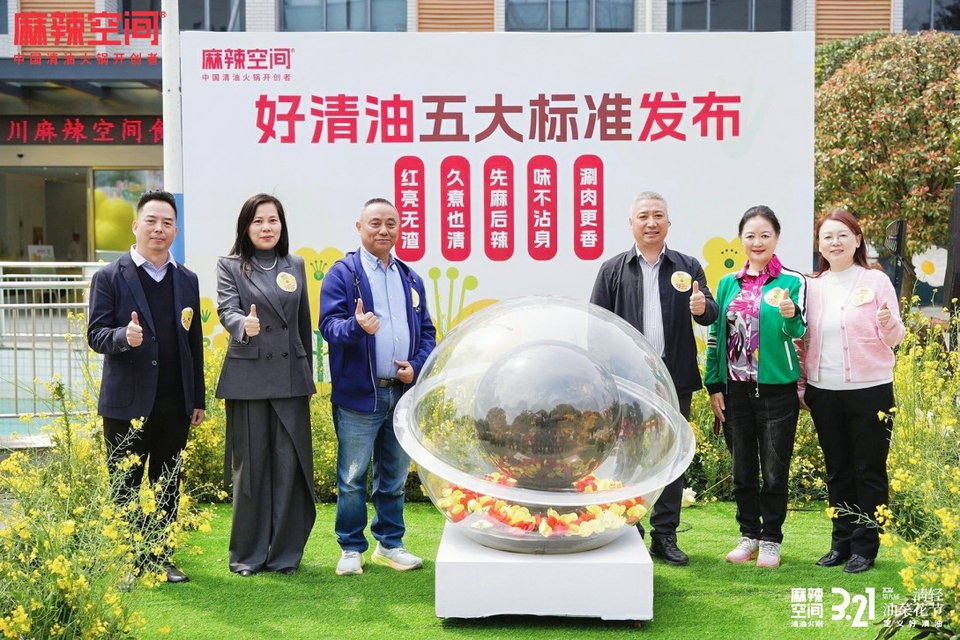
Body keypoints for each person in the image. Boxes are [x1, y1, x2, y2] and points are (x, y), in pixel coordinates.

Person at [590, 191, 719, 566]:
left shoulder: (687, 266)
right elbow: (596, 327)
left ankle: (665, 535)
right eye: (644, 216)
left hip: (674, 379)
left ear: (668, 223)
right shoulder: (613, 270)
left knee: (671, 456)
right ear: (631, 223)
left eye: (658, 215)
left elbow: (710, 312)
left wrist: (702, 307)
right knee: (627, 456)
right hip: (627, 382)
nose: (651, 222)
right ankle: (629, 528)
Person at [87, 190, 205, 584]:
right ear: (135, 225)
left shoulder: (186, 279)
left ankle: (160, 557)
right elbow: (95, 333)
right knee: (125, 485)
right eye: (151, 221)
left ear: (175, 230)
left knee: (167, 484)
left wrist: (197, 398)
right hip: (126, 403)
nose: (159, 229)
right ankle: (127, 561)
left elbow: (192, 344)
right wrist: (123, 336)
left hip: (174, 401)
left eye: (167, 222)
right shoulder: (109, 276)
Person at [319, 197, 436, 577]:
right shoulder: (344, 274)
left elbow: (427, 332)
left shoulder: (410, 278)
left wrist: (416, 366)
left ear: (399, 228)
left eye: (391, 223)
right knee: (352, 477)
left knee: (394, 478)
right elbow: (329, 328)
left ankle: (390, 544)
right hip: (359, 395)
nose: (384, 230)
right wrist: (357, 327)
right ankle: (351, 548)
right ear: (360, 228)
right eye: (375, 223)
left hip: (401, 395)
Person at [215, 193, 317, 577]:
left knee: (290, 466)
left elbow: (303, 324)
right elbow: (227, 309)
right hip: (249, 379)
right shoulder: (230, 266)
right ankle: (247, 555)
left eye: (273, 220)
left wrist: (306, 376)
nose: (266, 227)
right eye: (258, 221)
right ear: (245, 227)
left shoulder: (295, 264)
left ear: (281, 225)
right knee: (251, 469)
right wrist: (244, 325)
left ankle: (285, 554)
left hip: (291, 379)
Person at [796, 209, 904, 574]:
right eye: (827, 237)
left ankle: (865, 546)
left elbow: (896, 337)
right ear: (820, 245)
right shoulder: (811, 286)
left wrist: (887, 324)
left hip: (871, 391)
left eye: (843, 235)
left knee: (868, 470)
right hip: (825, 391)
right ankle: (840, 542)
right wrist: (803, 385)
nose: (835, 242)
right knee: (837, 470)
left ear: (857, 240)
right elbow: (802, 340)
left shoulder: (875, 281)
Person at [705, 205, 806, 569]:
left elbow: (799, 332)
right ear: (741, 239)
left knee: (775, 473)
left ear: (776, 238)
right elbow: (715, 333)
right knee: (743, 471)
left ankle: (771, 540)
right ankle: (749, 535)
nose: (757, 242)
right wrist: (714, 384)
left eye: (765, 235)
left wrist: (791, 317)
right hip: (736, 391)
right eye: (750, 235)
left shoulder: (792, 282)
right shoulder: (727, 283)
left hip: (777, 391)